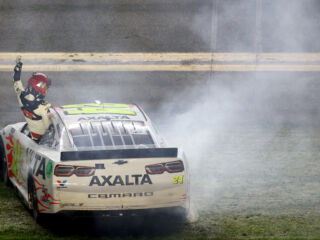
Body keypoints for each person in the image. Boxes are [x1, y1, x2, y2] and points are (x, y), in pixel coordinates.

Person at [13, 56, 52, 142]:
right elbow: (50, 129)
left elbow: (16, 81)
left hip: (32, 138)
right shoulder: (44, 108)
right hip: (43, 143)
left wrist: (18, 66)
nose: (46, 90)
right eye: (46, 87)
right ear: (40, 88)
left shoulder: (21, 97)